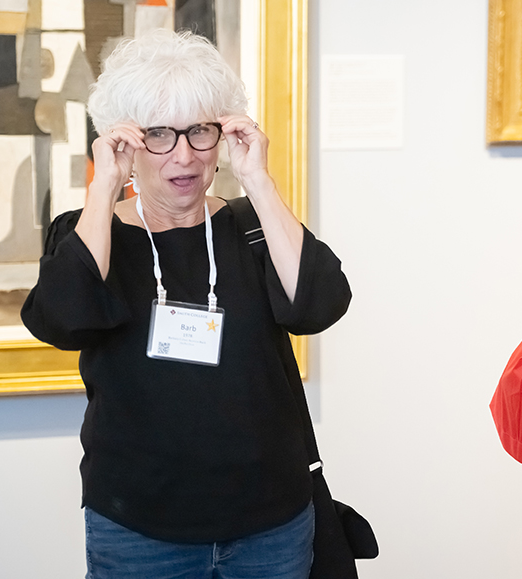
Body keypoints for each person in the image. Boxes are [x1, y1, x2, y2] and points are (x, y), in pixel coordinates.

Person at [21, 29, 351, 579]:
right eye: (158, 135)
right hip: (139, 527)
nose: (185, 155)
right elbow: (62, 319)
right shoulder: (91, 234)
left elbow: (318, 305)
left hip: (269, 522)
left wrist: (258, 180)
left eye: (200, 132)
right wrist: (105, 188)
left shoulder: (251, 225)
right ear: (125, 141)